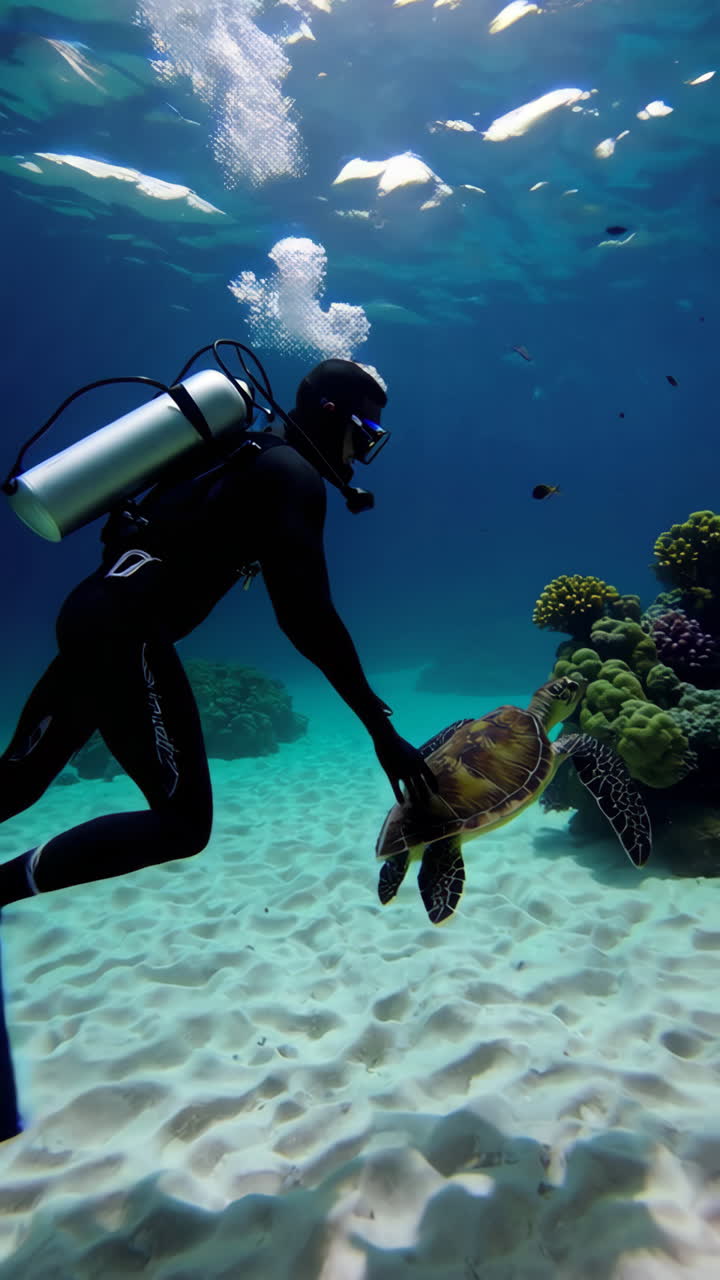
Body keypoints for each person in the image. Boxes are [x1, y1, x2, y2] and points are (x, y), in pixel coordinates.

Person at [0, 358, 436, 910]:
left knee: (19, 780)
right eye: (366, 436)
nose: (362, 456)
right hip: (124, 632)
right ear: (330, 414)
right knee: (182, 825)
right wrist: (380, 729)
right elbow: (307, 618)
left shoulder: (234, 454)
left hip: (92, 613)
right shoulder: (291, 476)